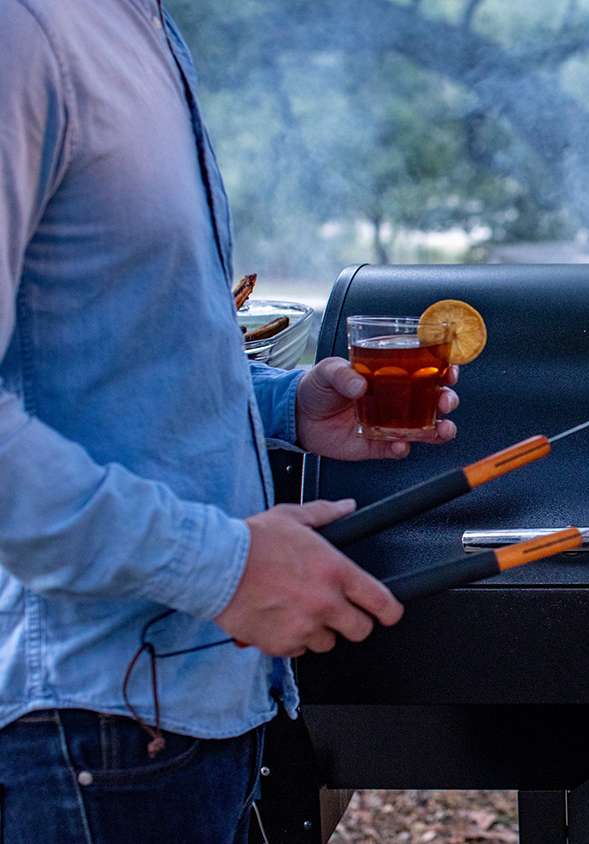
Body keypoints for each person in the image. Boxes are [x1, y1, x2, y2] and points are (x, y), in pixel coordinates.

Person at [0, 1, 460, 840]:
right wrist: (226, 567)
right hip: (86, 724)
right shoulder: (25, 33)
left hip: (192, 711)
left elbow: (110, 351)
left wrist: (284, 405)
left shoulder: (143, 29)